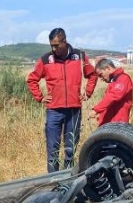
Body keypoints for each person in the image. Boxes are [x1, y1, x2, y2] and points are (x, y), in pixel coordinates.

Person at [27, 28, 98, 172]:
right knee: (52, 150)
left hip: (74, 110)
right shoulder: (46, 59)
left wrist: (87, 93)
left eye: (56, 45)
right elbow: (32, 79)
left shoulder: (79, 57)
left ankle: (68, 179)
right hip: (54, 111)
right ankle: (53, 181)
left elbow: (93, 75)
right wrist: (40, 97)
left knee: (70, 149)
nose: (53, 49)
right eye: (51, 45)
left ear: (64, 42)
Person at [88, 58, 133, 126]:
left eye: (101, 74)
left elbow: (114, 96)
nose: (101, 78)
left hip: (117, 125)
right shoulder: (114, 81)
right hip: (110, 124)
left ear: (108, 68)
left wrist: (96, 110)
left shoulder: (123, 79)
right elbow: (110, 104)